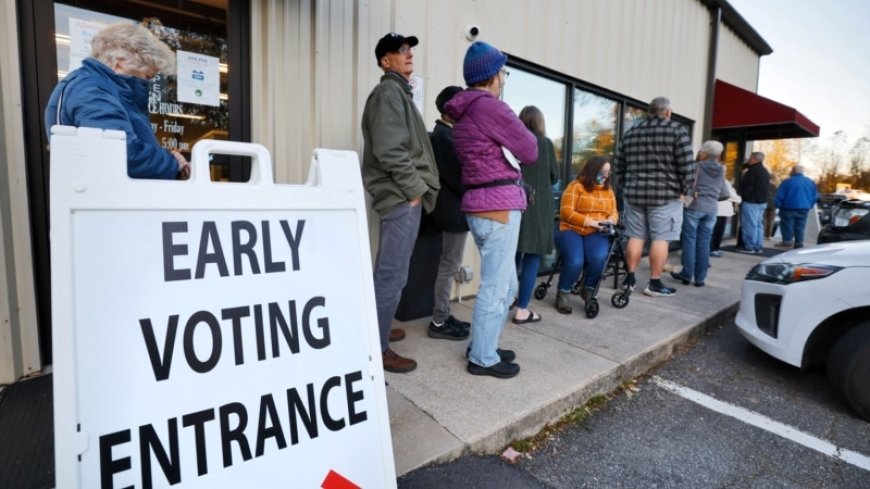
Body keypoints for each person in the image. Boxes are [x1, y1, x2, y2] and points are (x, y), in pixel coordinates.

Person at [444, 41, 537, 379]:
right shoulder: (491, 109)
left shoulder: (467, 111)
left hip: (480, 206)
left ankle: (485, 344)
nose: (504, 78)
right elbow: (529, 150)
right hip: (498, 206)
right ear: (493, 75)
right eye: (503, 72)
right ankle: (482, 357)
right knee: (496, 289)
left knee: (507, 287)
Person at [361, 32, 441, 373]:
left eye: (409, 50)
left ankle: (376, 329)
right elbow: (390, 150)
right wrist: (414, 191)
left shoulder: (398, 93)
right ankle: (376, 349)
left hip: (401, 196)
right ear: (385, 60)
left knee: (390, 272)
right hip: (400, 197)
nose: (408, 54)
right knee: (391, 275)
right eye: (400, 50)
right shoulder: (388, 94)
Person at [44, 22, 189, 180]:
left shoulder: (98, 87)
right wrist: (172, 162)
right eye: (148, 76)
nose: (148, 83)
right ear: (121, 61)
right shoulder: (92, 90)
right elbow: (124, 155)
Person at [613, 96, 694, 297]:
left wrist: (626, 187)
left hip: (634, 195)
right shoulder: (677, 130)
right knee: (661, 238)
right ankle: (654, 283)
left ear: (650, 112)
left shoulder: (631, 132)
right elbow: (687, 166)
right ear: (668, 112)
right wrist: (684, 190)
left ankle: (630, 278)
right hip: (665, 196)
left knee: (635, 236)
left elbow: (619, 165)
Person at [427, 86, 471, 340]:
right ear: (450, 108)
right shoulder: (445, 137)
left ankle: (442, 315)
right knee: (449, 265)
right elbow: (460, 177)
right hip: (452, 212)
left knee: (447, 264)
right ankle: (439, 321)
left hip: (451, 210)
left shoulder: (446, 134)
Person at [553, 156, 618, 314]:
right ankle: (563, 293)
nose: (605, 176)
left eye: (608, 173)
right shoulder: (575, 186)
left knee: (598, 257)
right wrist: (590, 221)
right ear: (592, 170)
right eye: (602, 172)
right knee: (576, 261)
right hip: (570, 228)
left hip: (596, 232)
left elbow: (614, 212)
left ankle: (588, 289)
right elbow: (566, 212)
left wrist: (611, 219)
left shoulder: (608, 191)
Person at [512, 106, 559, 324]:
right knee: (531, 258)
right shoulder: (545, 143)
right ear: (540, 122)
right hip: (538, 207)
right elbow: (554, 176)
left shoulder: (512, 142)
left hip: (513, 203)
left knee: (512, 257)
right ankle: (522, 309)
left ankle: (509, 298)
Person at [670, 141, 730, 287]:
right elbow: (725, 194)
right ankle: (700, 279)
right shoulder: (722, 169)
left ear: (704, 152)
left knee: (689, 241)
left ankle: (686, 274)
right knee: (704, 243)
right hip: (711, 210)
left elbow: (686, 186)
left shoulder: (696, 166)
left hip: (695, 207)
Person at [774, 165, 819, 249]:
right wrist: (810, 205)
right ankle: (799, 243)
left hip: (788, 207)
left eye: (791, 170)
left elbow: (779, 195)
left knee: (787, 224)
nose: (790, 172)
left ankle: (787, 241)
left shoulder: (787, 182)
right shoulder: (810, 182)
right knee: (800, 225)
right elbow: (815, 196)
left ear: (794, 171)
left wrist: (777, 205)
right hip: (804, 208)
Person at [736, 152, 769, 254]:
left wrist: (744, 197)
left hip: (751, 202)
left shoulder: (752, 171)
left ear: (754, 159)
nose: (748, 160)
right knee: (758, 225)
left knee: (749, 225)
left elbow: (746, 187)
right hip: (762, 202)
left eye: (750, 158)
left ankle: (749, 247)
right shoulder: (764, 171)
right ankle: (758, 246)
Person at [710, 178, 741, 257]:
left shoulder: (725, 181)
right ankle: (713, 249)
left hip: (723, 210)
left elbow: (731, 193)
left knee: (719, 231)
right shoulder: (721, 181)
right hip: (719, 209)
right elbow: (729, 194)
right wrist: (739, 199)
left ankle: (715, 248)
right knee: (716, 231)